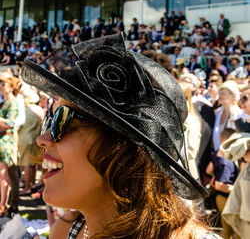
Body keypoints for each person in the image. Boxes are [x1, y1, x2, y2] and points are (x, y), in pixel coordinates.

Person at [21, 33, 220, 239]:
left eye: (64, 120)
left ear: (122, 147)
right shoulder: (66, 231)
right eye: (49, 118)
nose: (42, 138)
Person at [0, 76, 19, 216]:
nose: (0, 86)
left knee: (3, 176)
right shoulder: (3, 102)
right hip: (2, 140)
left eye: (3, 83)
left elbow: (10, 123)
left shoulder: (13, 102)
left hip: (5, 142)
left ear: (11, 86)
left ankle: (2, 207)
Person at [212, 81, 244, 152]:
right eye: (219, 93)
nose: (220, 95)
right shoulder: (218, 112)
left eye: (223, 93)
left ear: (233, 96)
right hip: (217, 156)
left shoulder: (239, 114)